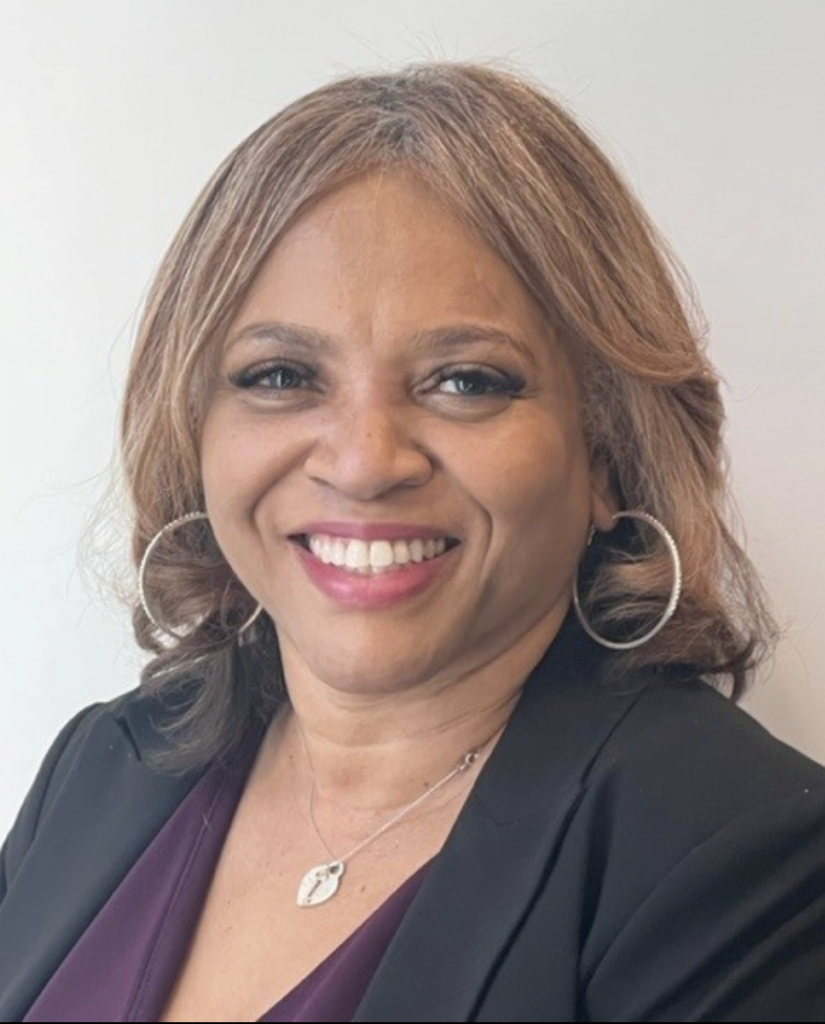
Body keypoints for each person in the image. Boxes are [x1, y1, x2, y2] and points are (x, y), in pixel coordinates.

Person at [1, 61, 823, 1023]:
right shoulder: (106, 763)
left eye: (466, 381)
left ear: (607, 450)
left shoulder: (748, 864)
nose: (362, 463)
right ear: (195, 431)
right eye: (280, 376)